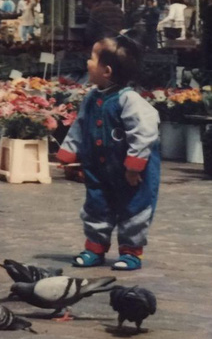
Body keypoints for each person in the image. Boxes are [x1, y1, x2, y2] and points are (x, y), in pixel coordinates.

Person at [56, 35, 161, 271]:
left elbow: (144, 132)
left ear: (107, 71)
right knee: (96, 205)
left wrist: (134, 166)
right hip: (99, 169)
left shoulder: (130, 100)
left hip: (131, 173)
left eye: (92, 58)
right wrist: (69, 152)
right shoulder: (91, 98)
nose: (87, 62)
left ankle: (131, 251)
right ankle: (95, 247)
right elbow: (80, 126)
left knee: (134, 208)